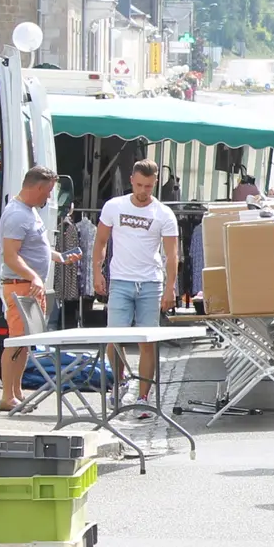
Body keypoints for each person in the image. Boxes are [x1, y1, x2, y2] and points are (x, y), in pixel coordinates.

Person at [94, 159, 180, 406]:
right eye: (140, 185)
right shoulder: (114, 206)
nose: (143, 191)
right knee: (114, 338)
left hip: (150, 282)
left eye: (149, 187)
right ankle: (119, 383)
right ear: (131, 180)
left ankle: (143, 396)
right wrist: (97, 273)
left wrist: (170, 287)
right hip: (120, 279)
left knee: (148, 342)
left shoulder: (163, 213)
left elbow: (172, 254)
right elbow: (100, 241)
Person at [0, 166, 60, 411]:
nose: (49, 198)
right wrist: (34, 277)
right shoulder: (17, 215)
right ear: (38, 188)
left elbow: (34, 246)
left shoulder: (29, 211)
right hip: (20, 287)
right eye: (48, 192)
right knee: (16, 341)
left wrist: (57, 256)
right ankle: (6, 396)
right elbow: (11, 257)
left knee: (24, 342)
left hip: (30, 286)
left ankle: (16, 391)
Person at [50, 201, 88, 331]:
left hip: (63, 266)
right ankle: (55, 323)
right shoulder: (68, 227)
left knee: (56, 294)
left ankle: (54, 323)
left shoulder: (70, 228)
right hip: (63, 266)